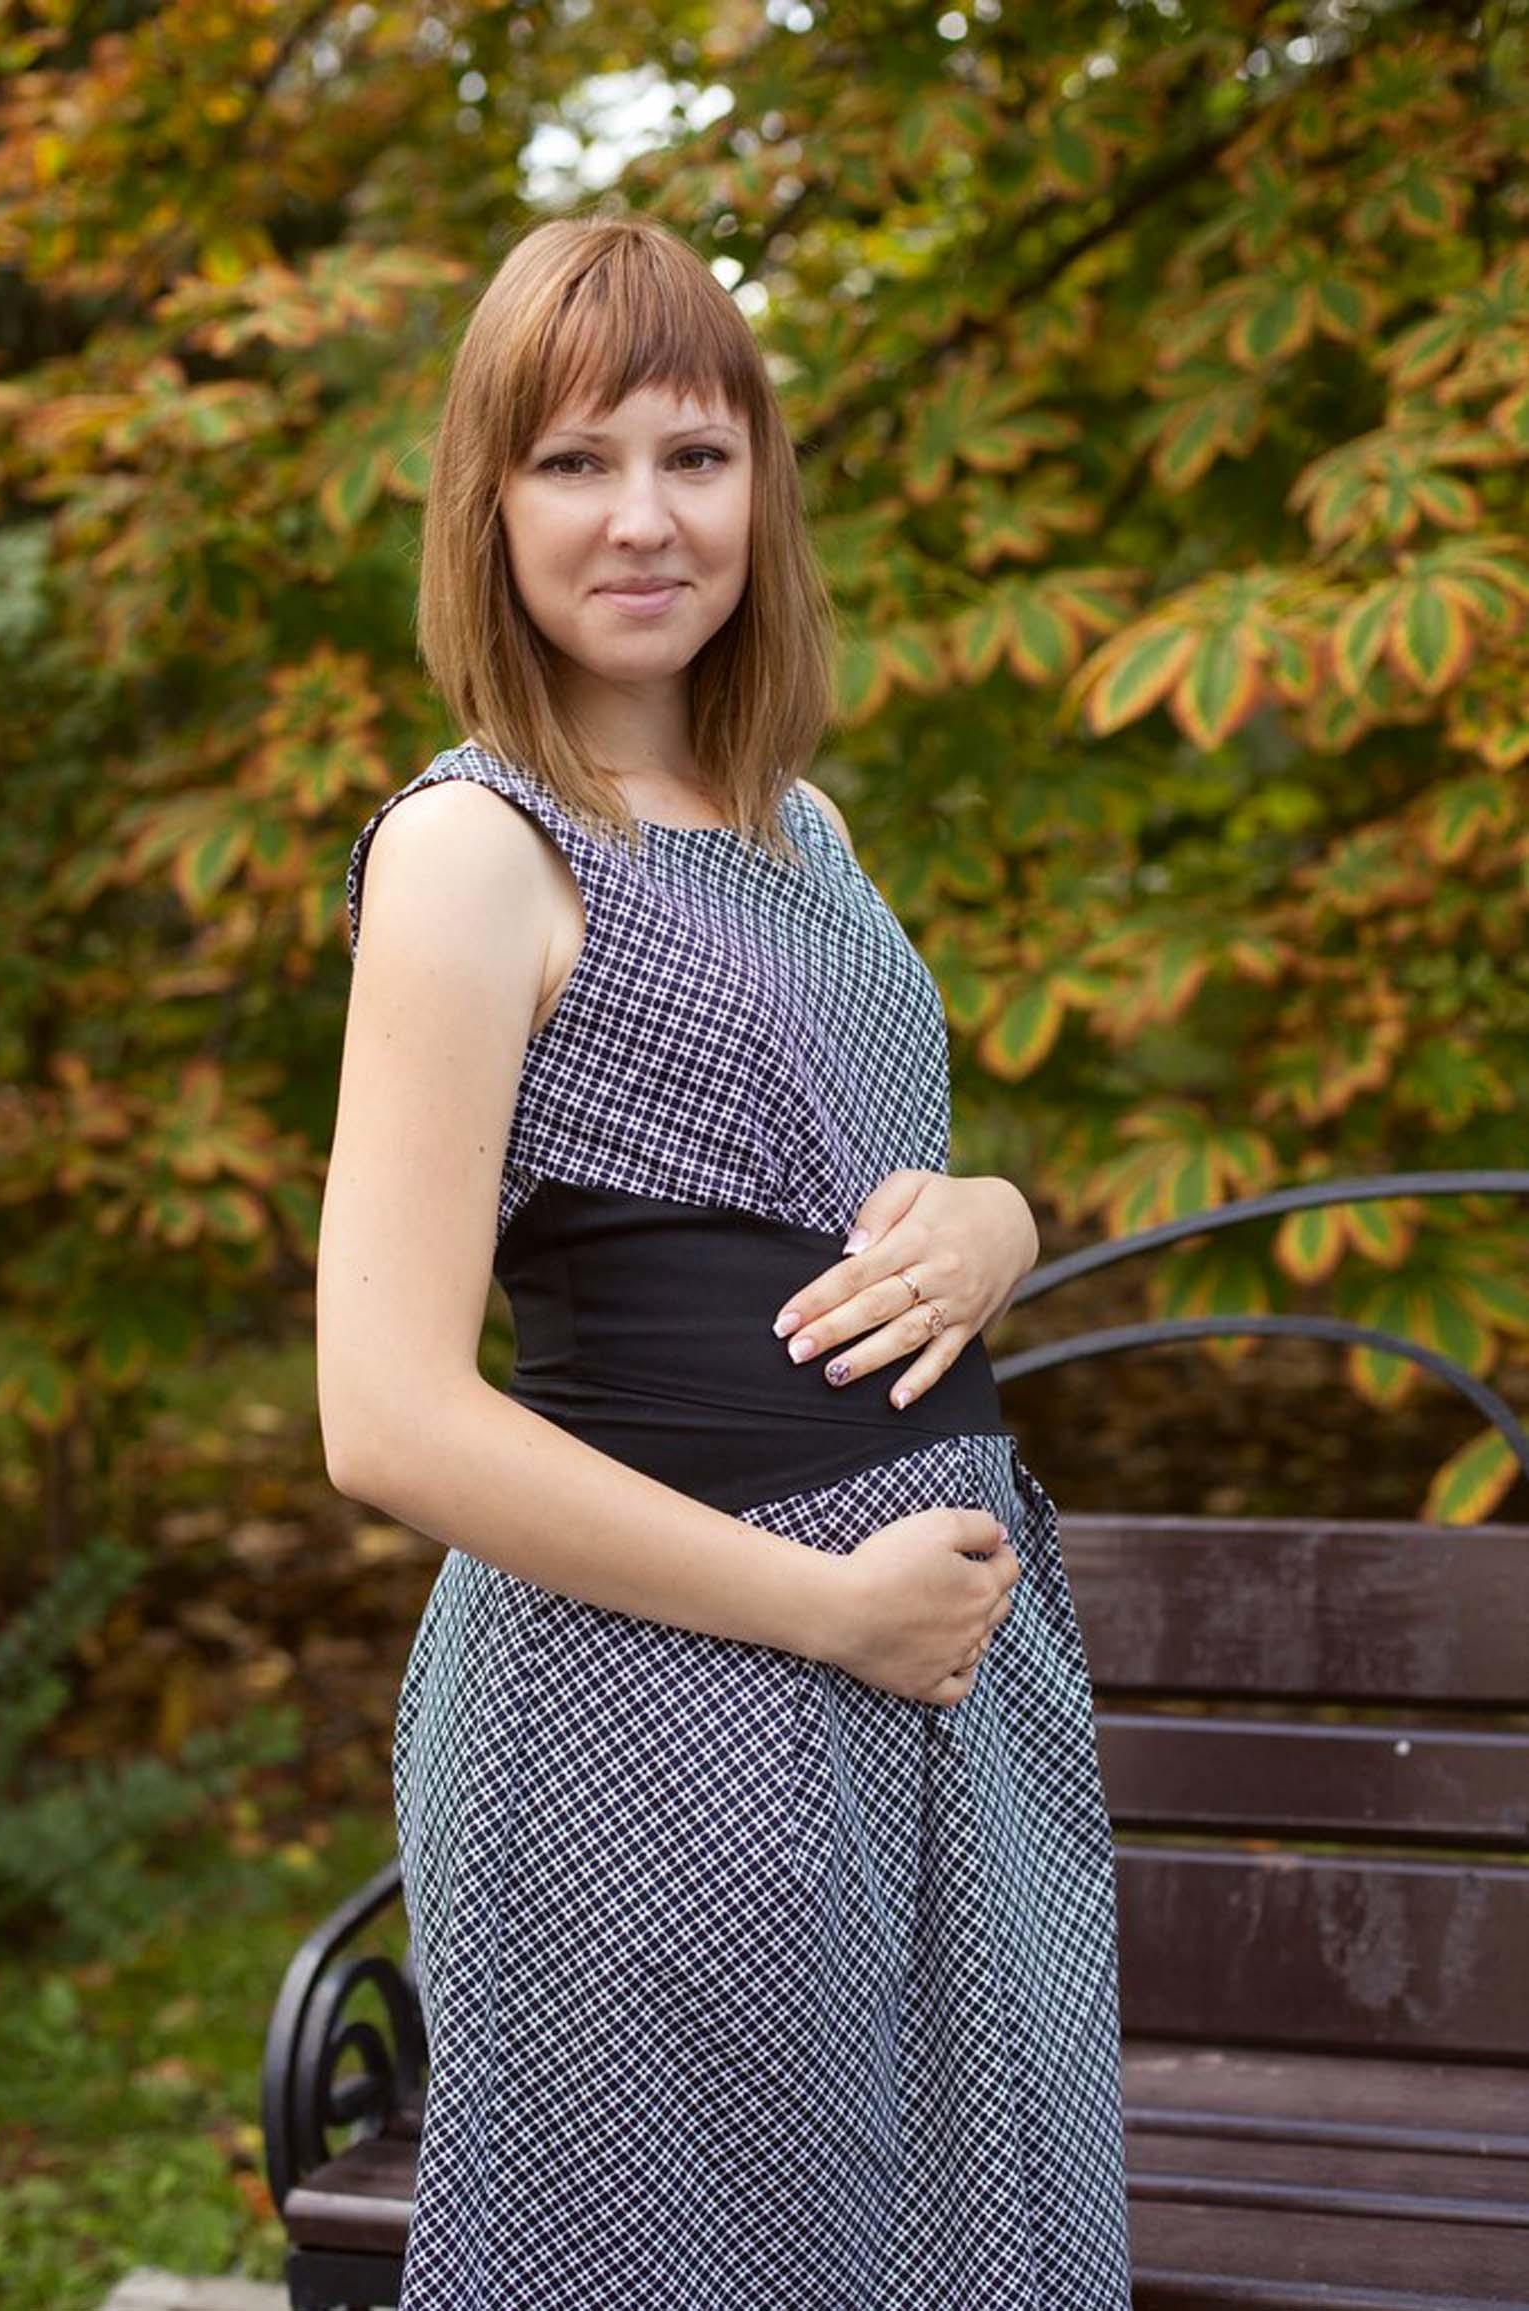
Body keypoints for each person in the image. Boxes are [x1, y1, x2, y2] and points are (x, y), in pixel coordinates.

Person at [317, 209, 1132, 2310]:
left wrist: (1000, 1223)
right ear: (487, 504)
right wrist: (828, 1610)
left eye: (695, 454)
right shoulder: (476, 847)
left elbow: (866, 1200)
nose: (643, 518)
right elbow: (384, 1417)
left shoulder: (804, 829)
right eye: (573, 462)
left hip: (931, 1699)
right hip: (660, 1713)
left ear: (761, 486)